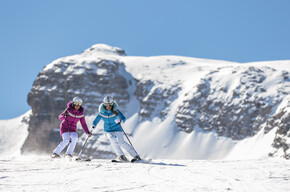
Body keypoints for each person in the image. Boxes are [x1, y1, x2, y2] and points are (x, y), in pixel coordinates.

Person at [91, 96, 141, 162]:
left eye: (110, 105)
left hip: (117, 129)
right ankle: (121, 156)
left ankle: (135, 156)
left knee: (121, 142)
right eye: (106, 105)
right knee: (111, 138)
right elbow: (96, 120)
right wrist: (93, 125)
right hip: (108, 130)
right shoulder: (102, 112)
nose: (108, 107)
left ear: (112, 104)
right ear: (104, 105)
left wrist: (120, 121)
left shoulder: (116, 111)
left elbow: (124, 118)